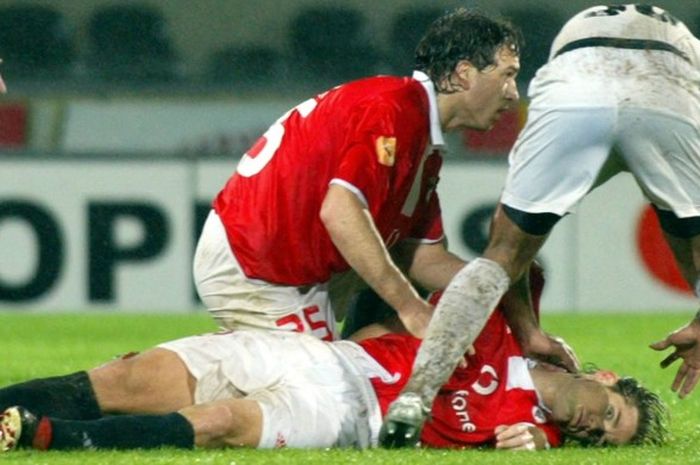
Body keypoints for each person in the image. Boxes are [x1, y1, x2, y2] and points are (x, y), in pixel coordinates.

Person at [381, 3, 700, 447]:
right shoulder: (686, 39)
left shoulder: (586, 18)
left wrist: (528, 332)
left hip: (577, 75)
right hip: (672, 87)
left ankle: (414, 399)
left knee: (503, 254)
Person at [0, 267, 667, 452]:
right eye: (608, 413)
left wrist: (527, 450)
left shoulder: (527, 435)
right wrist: (531, 327)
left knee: (221, 422)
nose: (592, 427)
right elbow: (517, 257)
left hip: (345, 414)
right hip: (320, 354)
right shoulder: (504, 329)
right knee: (129, 377)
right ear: (601, 377)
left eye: (604, 437)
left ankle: (47, 435)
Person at [193, 8, 527, 343]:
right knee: (327, 389)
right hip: (257, 261)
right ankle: (157, 381)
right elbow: (340, 211)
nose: (513, 93)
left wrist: (498, 283)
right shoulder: (392, 111)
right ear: (464, 73)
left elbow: (424, 259)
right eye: (507, 75)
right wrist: (410, 308)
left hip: (290, 263)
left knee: (343, 369)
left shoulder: (417, 130)